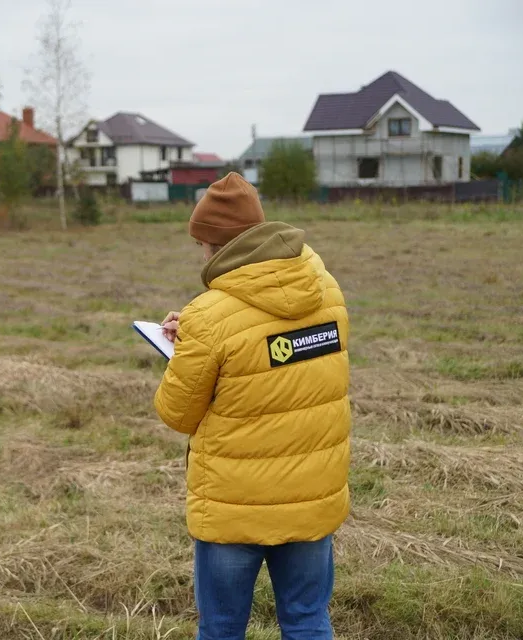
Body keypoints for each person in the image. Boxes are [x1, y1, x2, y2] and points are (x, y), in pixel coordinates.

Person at [154, 172, 350, 640]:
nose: (201, 255)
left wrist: (189, 348)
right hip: (310, 496)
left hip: (233, 505)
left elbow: (177, 413)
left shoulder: (210, 314)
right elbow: (273, 357)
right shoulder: (326, 291)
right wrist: (199, 338)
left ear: (222, 248)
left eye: (203, 244)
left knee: (222, 628)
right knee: (307, 621)